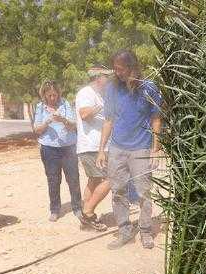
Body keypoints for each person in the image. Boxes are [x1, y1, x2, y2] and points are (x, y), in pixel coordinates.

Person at [96, 50, 162, 250]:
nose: (118, 73)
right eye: (115, 69)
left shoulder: (148, 88)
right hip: (117, 149)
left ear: (132, 67)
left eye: (121, 69)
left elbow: (156, 119)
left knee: (143, 193)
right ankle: (124, 231)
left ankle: (145, 232)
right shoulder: (112, 89)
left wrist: (155, 149)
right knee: (118, 192)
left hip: (141, 149)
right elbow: (108, 120)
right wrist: (101, 150)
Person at [33, 80, 83, 223]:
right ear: (44, 94)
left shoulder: (66, 105)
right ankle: (55, 210)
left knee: (73, 178)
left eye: (55, 95)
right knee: (53, 180)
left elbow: (74, 126)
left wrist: (63, 120)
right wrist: (47, 121)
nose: (53, 98)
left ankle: (77, 207)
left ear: (59, 93)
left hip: (68, 147)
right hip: (49, 149)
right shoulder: (40, 107)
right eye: (49, 95)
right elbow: (36, 130)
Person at [75, 66, 113, 231]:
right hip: (91, 146)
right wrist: (104, 107)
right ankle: (88, 213)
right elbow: (84, 114)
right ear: (98, 78)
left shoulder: (99, 95)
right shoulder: (86, 93)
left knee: (94, 180)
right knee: (111, 178)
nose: (109, 79)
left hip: (97, 146)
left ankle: (85, 216)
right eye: (107, 76)